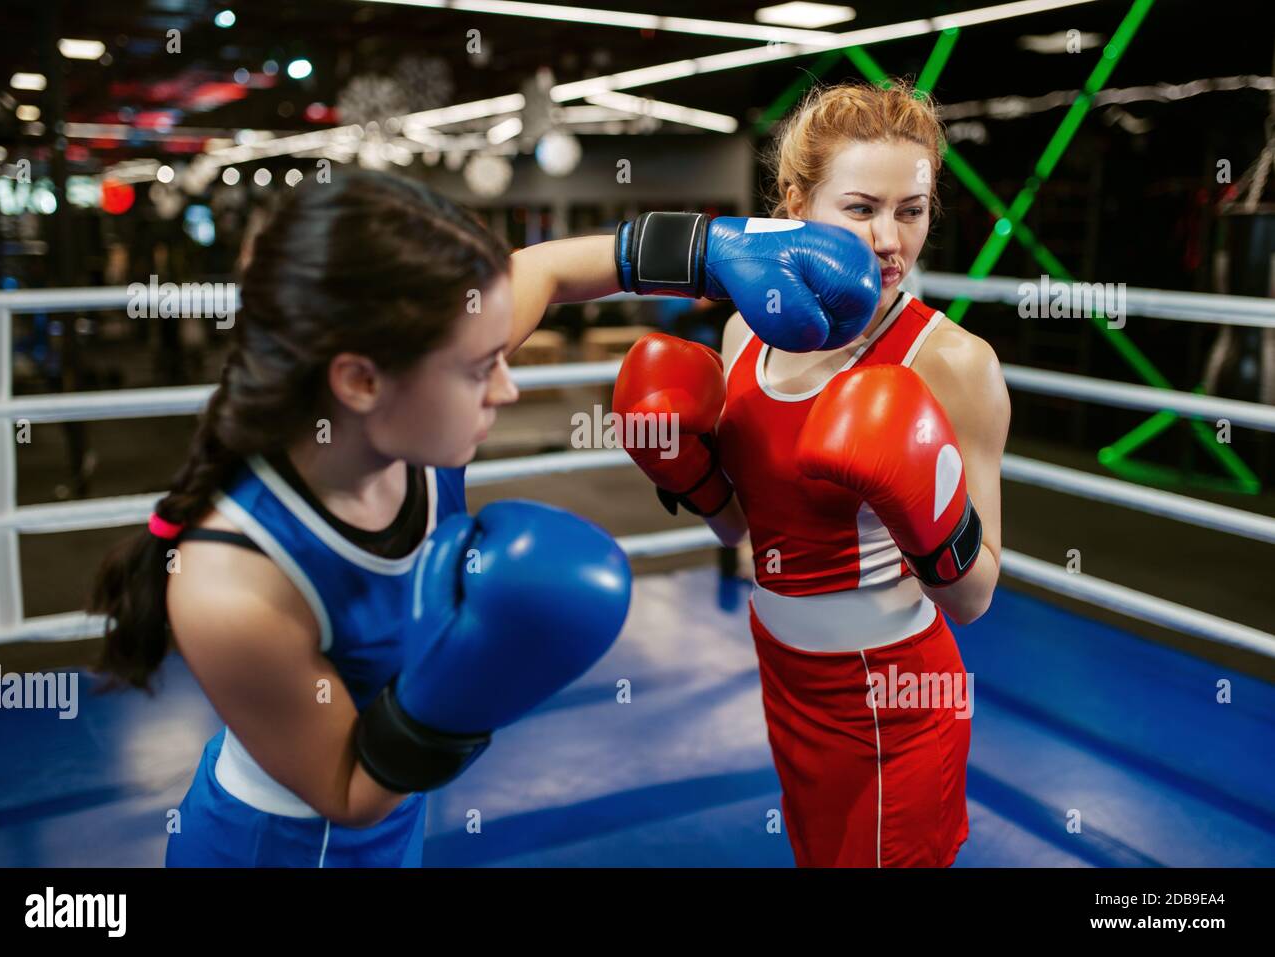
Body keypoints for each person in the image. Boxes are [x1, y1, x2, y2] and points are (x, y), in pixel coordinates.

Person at [87, 169, 882, 867]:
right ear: (359, 380)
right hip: (282, 848)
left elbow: (544, 268)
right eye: (480, 366)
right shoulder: (229, 583)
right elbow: (349, 791)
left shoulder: (418, 419)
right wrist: (477, 675)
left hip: (392, 833)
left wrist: (717, 245)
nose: (504, 389)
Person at [616, 80, 1012, 867]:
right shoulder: (746, 332)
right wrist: (688, 472)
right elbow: (739, 527)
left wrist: (925, 514)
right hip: (786, 675)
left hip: (896, 695)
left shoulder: (955, 363)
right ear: (797, 205)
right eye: (861, 208)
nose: (890, 240)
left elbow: (973, 598)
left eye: (913, 209)